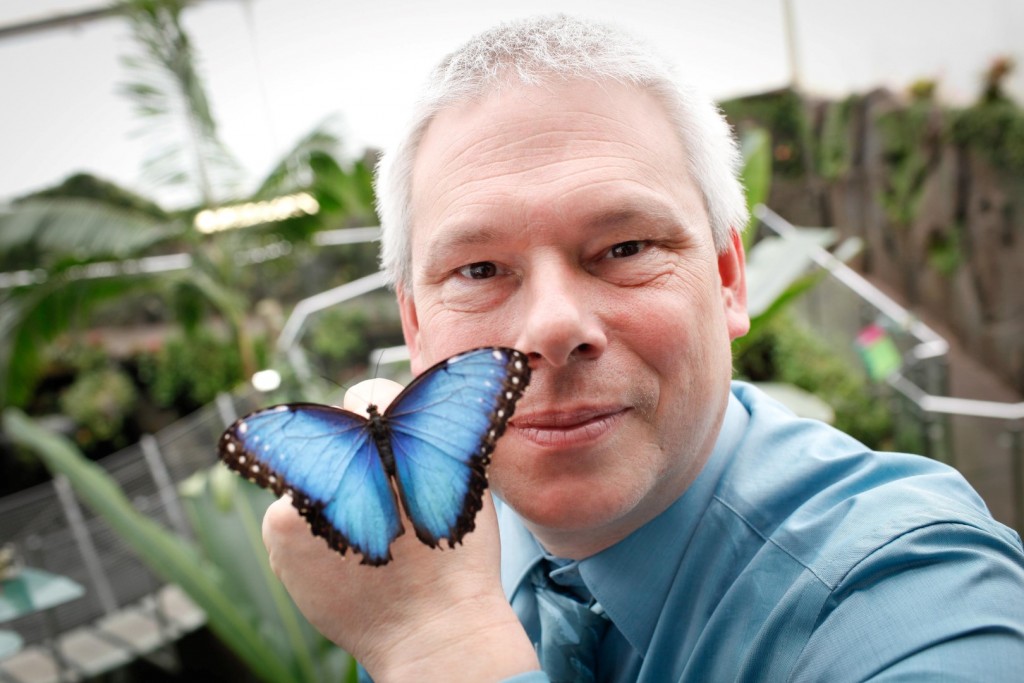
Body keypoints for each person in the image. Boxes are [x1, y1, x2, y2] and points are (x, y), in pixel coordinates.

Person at [262, 14, 1024, 682]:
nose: (553, 329)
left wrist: (440, 648)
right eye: (480, 269)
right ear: (415, 325)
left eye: (625, 247)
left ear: (729, 278)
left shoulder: (908, 588)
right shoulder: (411, 561)